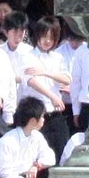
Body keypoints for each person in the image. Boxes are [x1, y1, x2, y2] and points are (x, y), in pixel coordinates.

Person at [16, 18, 74, 156]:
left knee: (60, 151)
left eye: (51, 37)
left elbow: (66, 79)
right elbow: (31, 81)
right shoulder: (27, 56)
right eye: (44, 36)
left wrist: (46, 72)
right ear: (37, 35)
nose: (47, 41)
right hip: (34, 115)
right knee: (33, 155)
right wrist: (52, 96)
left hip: (54, 113)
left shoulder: (58, 57)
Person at [0, 97, 57, 178]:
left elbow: (50, 157)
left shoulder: (37, 136)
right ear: (32, 121)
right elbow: (5, 172)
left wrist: (36, 166)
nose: (44, 120)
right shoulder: (6, 141)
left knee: (51, 175)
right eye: (42, 117)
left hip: (29, 176)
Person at [61, 19, 89, 135]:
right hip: (88, 106)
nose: (74, 43)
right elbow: (76, 83)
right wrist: (76, 111)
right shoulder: (82, 51)